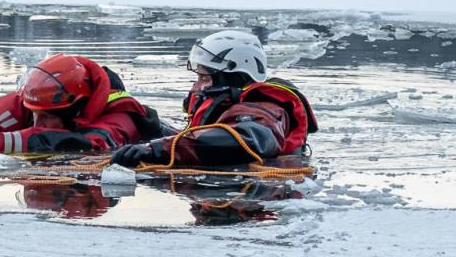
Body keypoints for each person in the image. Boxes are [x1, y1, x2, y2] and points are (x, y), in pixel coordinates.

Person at [110, 29, 317, 169]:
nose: (197, 87)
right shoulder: (236, 105)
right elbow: (203, 138)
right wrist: (153, 126)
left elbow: (247, 141)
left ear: (232, 75)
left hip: (248, 202)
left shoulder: (265, 107)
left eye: (204, 77)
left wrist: (156, 149)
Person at [0, 53, 164, 156]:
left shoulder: (121, 118)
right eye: (35, 114)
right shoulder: (40, 99)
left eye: (47, 117)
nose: (37, 124)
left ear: (75, 111)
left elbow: (87, 144)